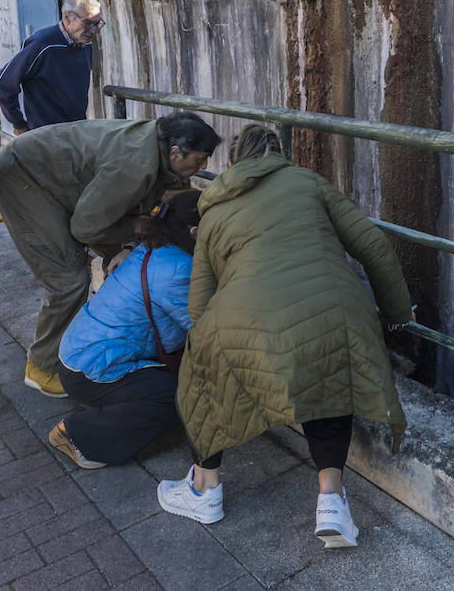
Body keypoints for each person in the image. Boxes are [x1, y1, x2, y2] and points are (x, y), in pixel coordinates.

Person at [156, 124, 414, 548]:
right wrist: (398, 317)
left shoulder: (215, 207)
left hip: (244, 318)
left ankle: (205, 489)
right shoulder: (309, 182)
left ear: (234, 162)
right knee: (328, 370)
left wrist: (208, 349)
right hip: (335, 309)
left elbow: (199, 304)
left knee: (201, 375)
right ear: (278, 156)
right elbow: (374, 247)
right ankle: (331, 502)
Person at [0, 112, 222, 398]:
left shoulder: (158, 149)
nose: (203, 167)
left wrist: (125, 246)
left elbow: (144, 205)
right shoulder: (134, 166)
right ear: (175, 151)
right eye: (199, 160)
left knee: (105, 249)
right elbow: (86, 228)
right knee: (69, 277)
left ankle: (80, 342)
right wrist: (134, 228)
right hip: (22, 176)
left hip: (54, 177)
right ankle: (42, 367)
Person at [47, 190, 201, 469]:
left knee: (175, 386)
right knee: (175, 398)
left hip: (82, 354)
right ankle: (77, 434)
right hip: (89, 369)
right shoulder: (179, 269)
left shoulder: (156, 246)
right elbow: (201, 325)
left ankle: (116, 406)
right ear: (195, 231)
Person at [0, 0, 104, 134]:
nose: (94, 31)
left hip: (76, 131)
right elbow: (1, 82)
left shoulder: (85, 43)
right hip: (45, 136)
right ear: (67, 17)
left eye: (97, 24)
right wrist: (18, 123)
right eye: (87, 23)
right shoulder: (43, 44)